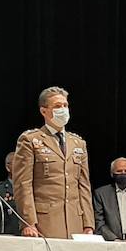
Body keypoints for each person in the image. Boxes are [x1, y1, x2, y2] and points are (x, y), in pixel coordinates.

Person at [11, 87, 93, 239]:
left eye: (65, 105)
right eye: (57, 106)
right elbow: (23, 185)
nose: (63, 109)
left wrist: (88, 224)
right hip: (45, 222)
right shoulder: (31, 140)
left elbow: (84, 186)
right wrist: (28, 222)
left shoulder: (77, 143)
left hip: (76, 221)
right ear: (44, 111)